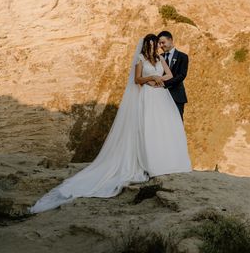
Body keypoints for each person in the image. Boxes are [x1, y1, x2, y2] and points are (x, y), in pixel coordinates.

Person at [28, 34, 192, 213]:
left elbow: (169, 74)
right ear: (146, 45)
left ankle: (166, 160)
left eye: (156, 44)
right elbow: (137, 80)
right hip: (148, 95)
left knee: (163, 128)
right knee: (147, 129)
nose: (154, 47)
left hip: (161, 95)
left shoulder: (160, 57)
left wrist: (161, 80)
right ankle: (149, 163)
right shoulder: (140, 58)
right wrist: (151, 77)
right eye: (151, 44)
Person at [157, 31, 189, 121]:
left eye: (163, 42)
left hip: (177, 96)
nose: (161, 45)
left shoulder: (183, 57)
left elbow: (181, 75)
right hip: (160, 97)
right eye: (159, 43)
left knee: (177, 123)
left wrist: (165, 84)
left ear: (170, 40)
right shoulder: (159, 57)